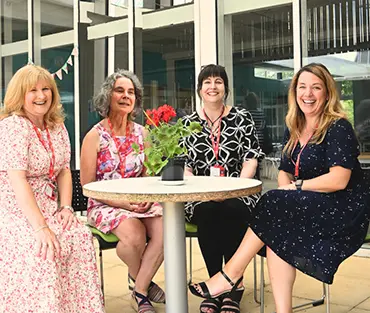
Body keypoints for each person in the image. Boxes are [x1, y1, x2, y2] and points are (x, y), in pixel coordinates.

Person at [188, 63, 370, 313]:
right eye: (302, 87)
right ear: (295, 92)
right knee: (276, 223)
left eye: (316, 88)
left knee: (272, 205)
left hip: (342, 207)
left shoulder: (338, 127)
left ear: (327, 93)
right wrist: (290, 193)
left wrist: (295, 189)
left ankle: (230, 274)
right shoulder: (294, 125)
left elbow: (338, 180)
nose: (308, 94)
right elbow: (284, 170)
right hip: (309, 201)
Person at [0, 65, 105, 313]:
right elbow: (18, 181)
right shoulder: (12, 127)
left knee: (79, 237)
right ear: (19, 95)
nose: (41, 95)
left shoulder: (57, 127)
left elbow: (64, 171)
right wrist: (41, 227)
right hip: (15, 211)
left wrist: (66, 207)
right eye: (33, 90)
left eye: (46, 88)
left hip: (49, 207)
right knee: (44, 249)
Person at [182, 64, 264, 313]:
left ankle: (232, 284)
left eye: (218, 81)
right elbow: (184, 165)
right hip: (200, 195)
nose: (213, 86)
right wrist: (202, 191)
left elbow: (251, 157)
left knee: (232, 209)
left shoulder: (241, 117)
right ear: (199, 89)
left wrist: (233, 188)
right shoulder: (188, 123)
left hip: (238, 192)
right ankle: (216, 283)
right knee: (207, 211)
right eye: (207, 82)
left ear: (226, 88)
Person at [80, 69, 164, 313]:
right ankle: (144, 289)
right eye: (120, 91)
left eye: (131, 92)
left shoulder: (143, 133)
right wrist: (124, 204)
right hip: (104, 203)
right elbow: (89, 187)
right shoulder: (94, 136)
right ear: (108, 95)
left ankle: (138, 289)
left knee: (167, 226)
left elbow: (148, 176)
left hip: (139, 201)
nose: (126, 96)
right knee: (134, 234)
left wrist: (145, 199)